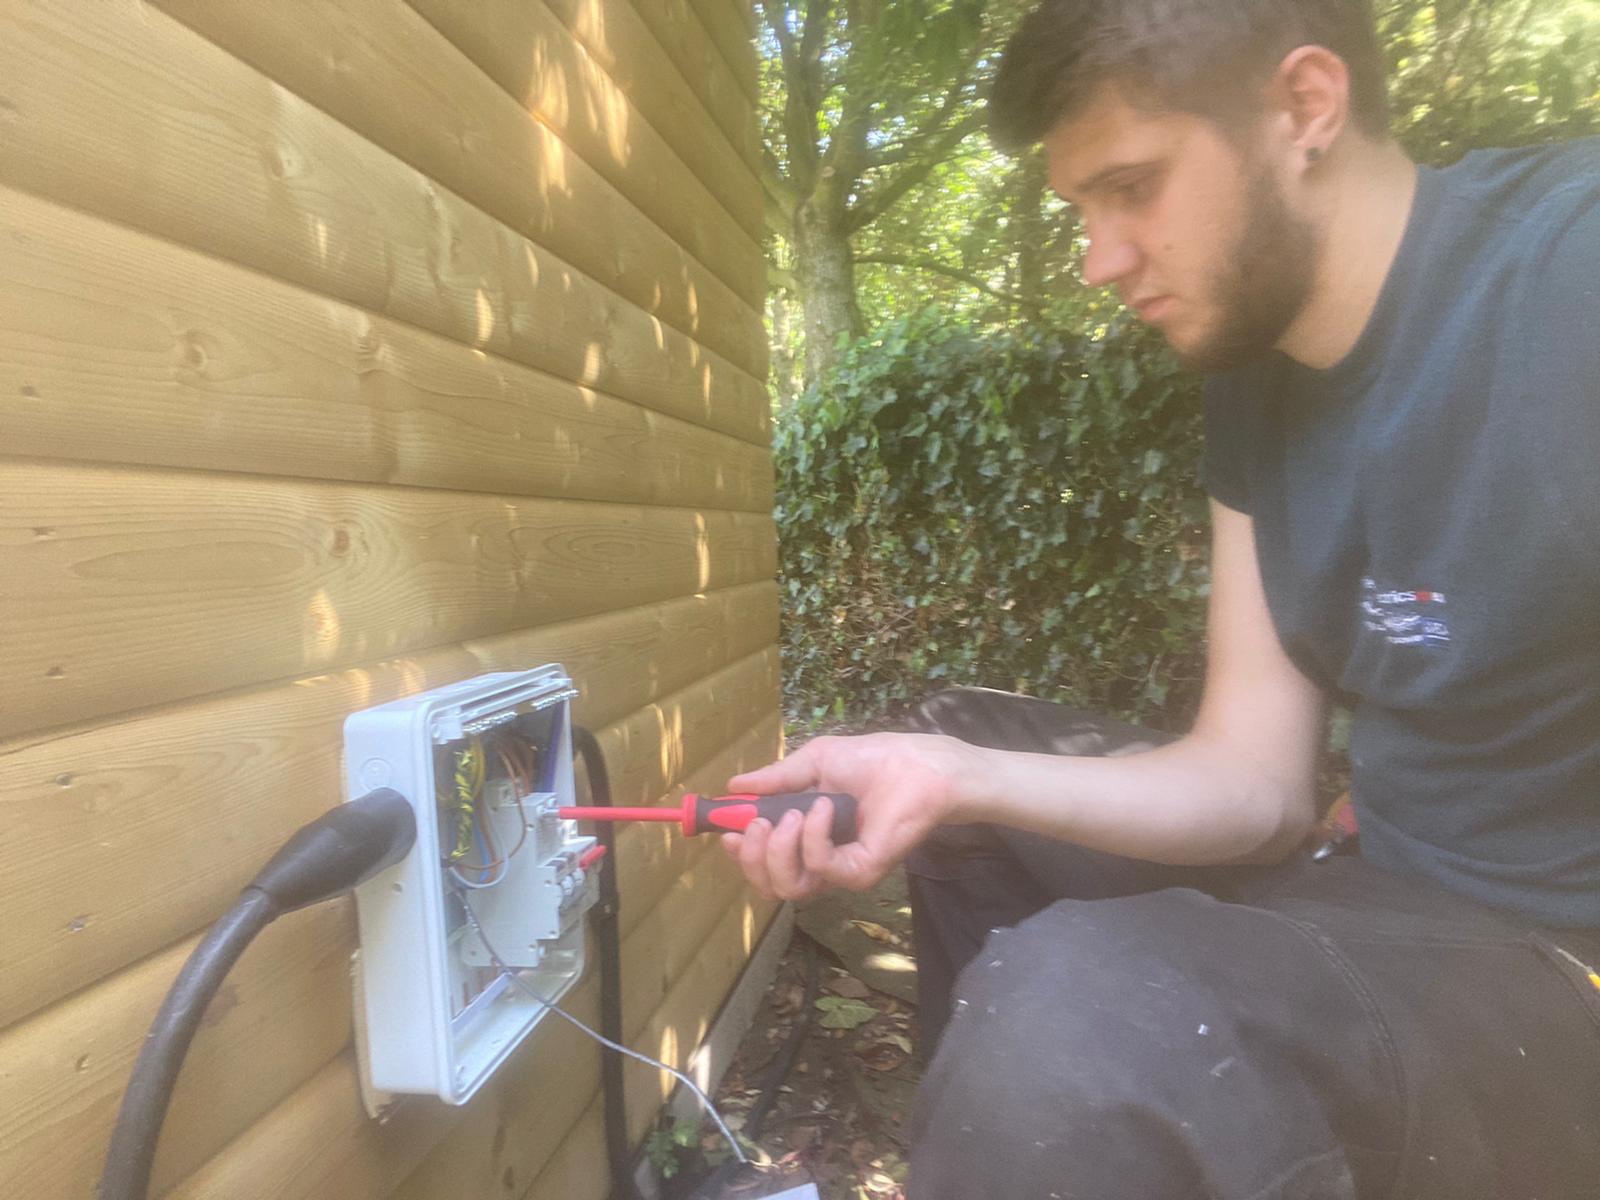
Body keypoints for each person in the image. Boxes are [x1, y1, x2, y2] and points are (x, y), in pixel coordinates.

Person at [720, 1, 1600, 1197]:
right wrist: (949, 778)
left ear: (1304, 107)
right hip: (1379, 889)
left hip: (1553, 966)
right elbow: (1252, 783)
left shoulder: (1564, 279)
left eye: (1132, 186)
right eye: (1079, 209)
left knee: (1085, 1022)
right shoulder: (1259, 381)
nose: (1098, 258)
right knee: (958, 756)